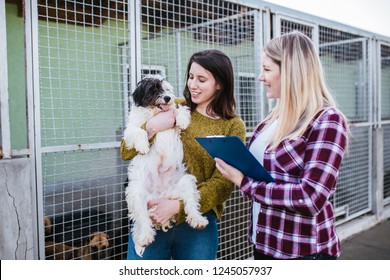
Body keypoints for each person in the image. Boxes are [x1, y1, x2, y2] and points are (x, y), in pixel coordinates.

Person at [215, 31, 349, 260]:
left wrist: (243, 182)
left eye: (267, 69)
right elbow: (263, 170)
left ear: (290, 72)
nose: (260, 76)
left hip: (301, 252)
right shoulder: (273, 118)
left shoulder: (327, 120)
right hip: (264, 243)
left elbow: (310, 197)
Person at [120, 49, 246, 259]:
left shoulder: (233, 125)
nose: (192, 84)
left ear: (220, 83)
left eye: (201, 79)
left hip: (197, 217)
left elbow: (223, 184)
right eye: (190, 76)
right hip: (153, 210)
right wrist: (151, 127)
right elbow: (126, 150)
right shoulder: (172, 105)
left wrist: (177, 207)